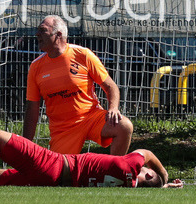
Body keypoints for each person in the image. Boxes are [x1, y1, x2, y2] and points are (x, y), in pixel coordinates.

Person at [0, 129, 183, 188]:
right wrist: (161, 187)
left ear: (146, 173)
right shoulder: (129, 186)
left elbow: (147, 154)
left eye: (148, 171)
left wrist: (164, 174)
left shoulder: (129, 164)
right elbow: (148, 182)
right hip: (51, 182)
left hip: (54, 163)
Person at [23, 15, 133, 155]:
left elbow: (110, 86)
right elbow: (32, 108)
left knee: (124, 126)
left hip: (90, 117)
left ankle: (114, 175)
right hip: (62, 130)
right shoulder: (35, 67)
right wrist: (25, 144)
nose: (37, 34)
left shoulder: (83, 54)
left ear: (58, 35)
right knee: (59, 176)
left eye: (42, 30)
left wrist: (113, 108)